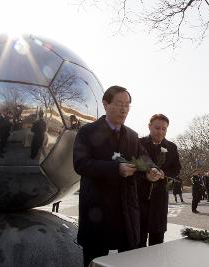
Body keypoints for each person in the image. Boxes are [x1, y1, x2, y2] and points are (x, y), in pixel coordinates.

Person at [73, 85, 163, 267]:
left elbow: (143, 158)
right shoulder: (88, 132)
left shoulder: (131, 135)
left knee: (128, 261)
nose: (124, 109)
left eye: (127, 105)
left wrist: (151, 170)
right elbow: (80, 164)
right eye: (119, 104)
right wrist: (116, 169)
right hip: (97, 212)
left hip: (126, 211)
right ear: (105, 104)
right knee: (94, 260)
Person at [138, 114, 181, 247]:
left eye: (164, 129)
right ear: (149, 126)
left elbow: (176, 168)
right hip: (140, 196)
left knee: (157, 241)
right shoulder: (138, 143)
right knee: (138, 240)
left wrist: (163, 173)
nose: (160, 132)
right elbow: (133, 166)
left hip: (159, 198)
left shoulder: (171, 147)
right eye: (157, 128)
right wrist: (146, 175)